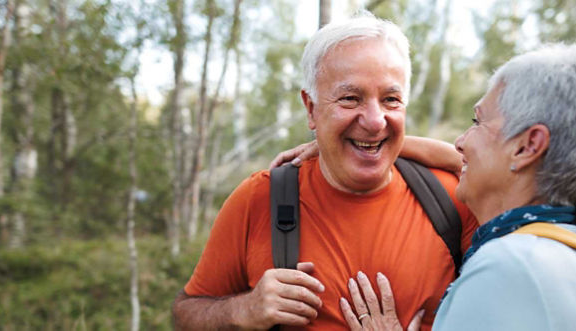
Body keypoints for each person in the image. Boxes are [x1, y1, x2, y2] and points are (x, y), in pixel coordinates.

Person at [172, 13, 478, 330]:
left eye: (391, 99)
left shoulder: (451, 197)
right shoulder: (259, 199)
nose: (375, 121)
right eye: (350, 98)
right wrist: (244, 310)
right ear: (311, 108)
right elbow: (187, 313)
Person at [338, 43, 576, 330]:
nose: (460, 142)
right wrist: (350, 146)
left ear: (528, 147)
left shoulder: (508, 269)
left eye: (478, 122)